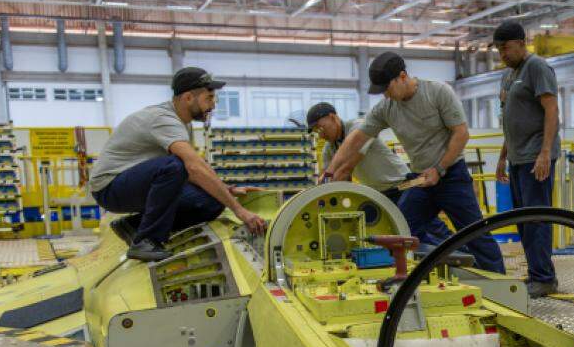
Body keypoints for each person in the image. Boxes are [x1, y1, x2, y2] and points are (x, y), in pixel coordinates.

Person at [328, 52, 505, 273]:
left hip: (451, 175)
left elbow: (461, 133)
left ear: (402, 77)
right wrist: (330, 169)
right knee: (402, 229)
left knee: (474, 232)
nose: (385, 95)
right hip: (421, 179)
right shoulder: (386, 108)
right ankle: (443, 267)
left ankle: (501, 282)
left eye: (387, 88)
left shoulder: (437, 92)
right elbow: (356, 137)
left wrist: (439, 168)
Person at [90, 67, 266, 261]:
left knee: (212, 203)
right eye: (209, 98)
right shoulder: (163, 119)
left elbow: (192, 171)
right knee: (174, 166)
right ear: (189, 98)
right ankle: (146, 240)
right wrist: (239, 210)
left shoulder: (183, 123)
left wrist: (225, 190)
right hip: (110, 188)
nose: (213, 105)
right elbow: (192, 167)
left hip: (132, 184)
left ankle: (134, 226)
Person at [308, 102, 451, 244]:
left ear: (333, 117)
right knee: (403, 234)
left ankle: (465, 256)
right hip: (381, 194)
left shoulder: (360, 128)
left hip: (404, 185)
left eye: (321, 128)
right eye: (316, 131)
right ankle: (430, 261)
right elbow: (327, 178)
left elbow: (346, 168)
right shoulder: (329, 148)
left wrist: (323, 189)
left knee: (431, 228)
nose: (321, 135)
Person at [493, 20, 560, 298]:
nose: (502, 54)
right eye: (498, 50)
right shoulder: (509, 76)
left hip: (536, 157)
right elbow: (511, 121)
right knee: (523, 221)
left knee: (537, 219)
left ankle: (544, 277)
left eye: (505, 48)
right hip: (517, 158)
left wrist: (545, 152)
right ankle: (536, 273)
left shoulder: (537, 67)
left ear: (521, 43)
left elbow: (551, 110)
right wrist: (501, 158)